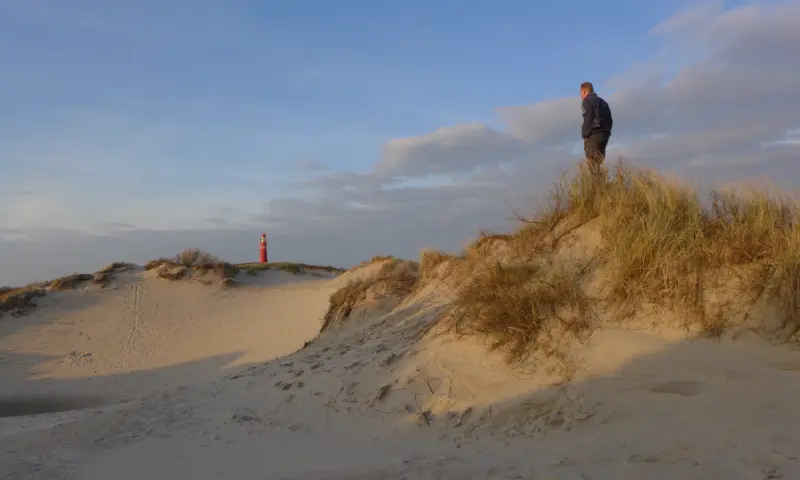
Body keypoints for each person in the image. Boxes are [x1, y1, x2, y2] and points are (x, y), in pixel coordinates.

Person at [580, 81, 613, 176]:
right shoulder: (603, 102)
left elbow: (588, 118)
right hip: (604, 136)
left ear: (584, 91)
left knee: (591, 163)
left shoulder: (587, 101)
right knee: (598, 162)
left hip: (593, 135)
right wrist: (607, 132)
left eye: (580, 93)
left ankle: (595, 186)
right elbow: (610, 119)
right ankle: (601, 185)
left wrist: (585, 133)